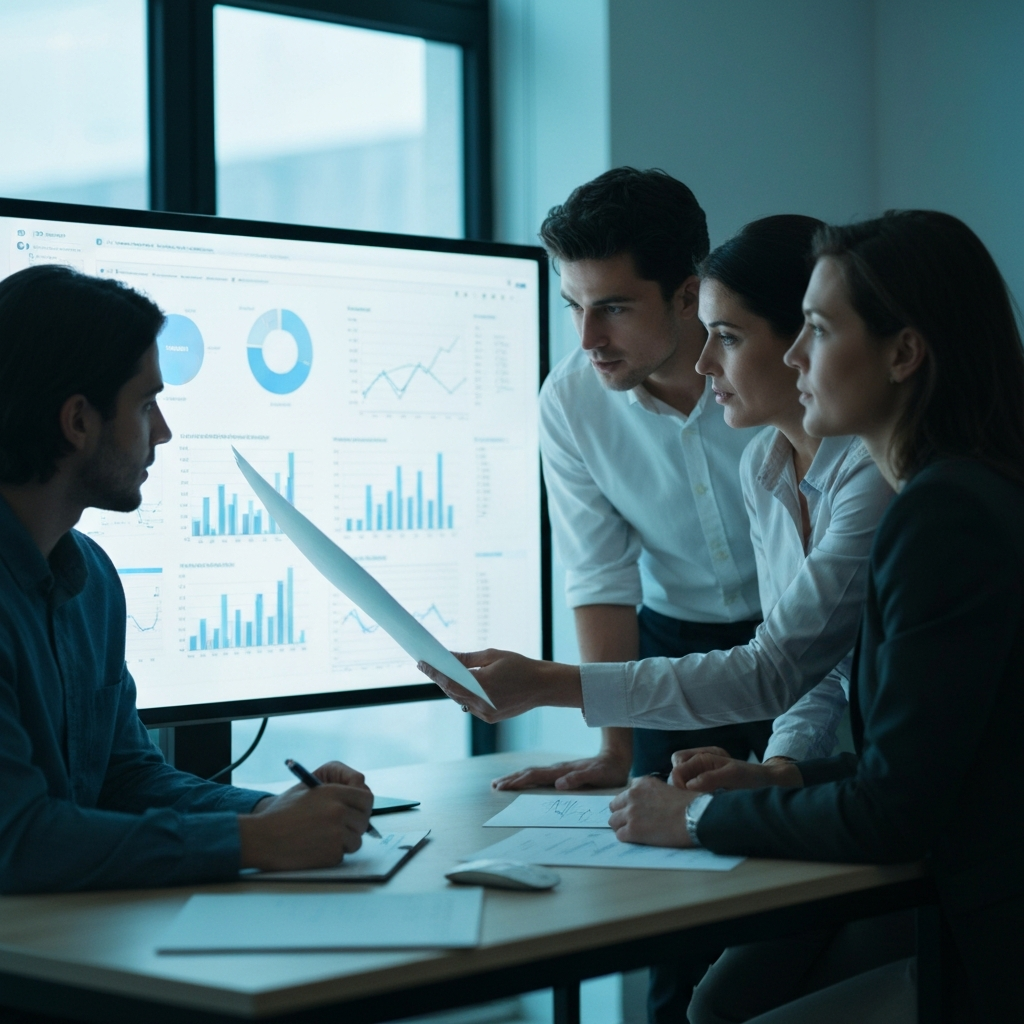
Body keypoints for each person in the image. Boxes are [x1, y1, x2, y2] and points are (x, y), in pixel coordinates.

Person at [609, 210, 1024, 1022]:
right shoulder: (962, 490)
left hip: (983, 931)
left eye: (820, 330)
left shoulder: (943, 515)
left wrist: (698, 815)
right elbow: (920, 764)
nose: (796, 354)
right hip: (952, 878)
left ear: (904, 353)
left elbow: (892, 810)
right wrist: (782, 776)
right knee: (721, 998)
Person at [0, 265, 373, 894]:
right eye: (147, 404)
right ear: (79, 421)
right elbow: (17, 841)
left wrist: (274, 812)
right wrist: (256, 841)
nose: (164, 431)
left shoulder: (91, 579)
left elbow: (124, 778)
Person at [492, 167, 770, 809]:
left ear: (688, 295)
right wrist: (614, 750)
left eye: (613, 308)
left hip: (807, 629)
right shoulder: (570, 401)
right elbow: (601, 577)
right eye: (574, 306)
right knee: (656, 832)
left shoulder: (777, 370)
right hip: (671, 643)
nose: (588, 339)